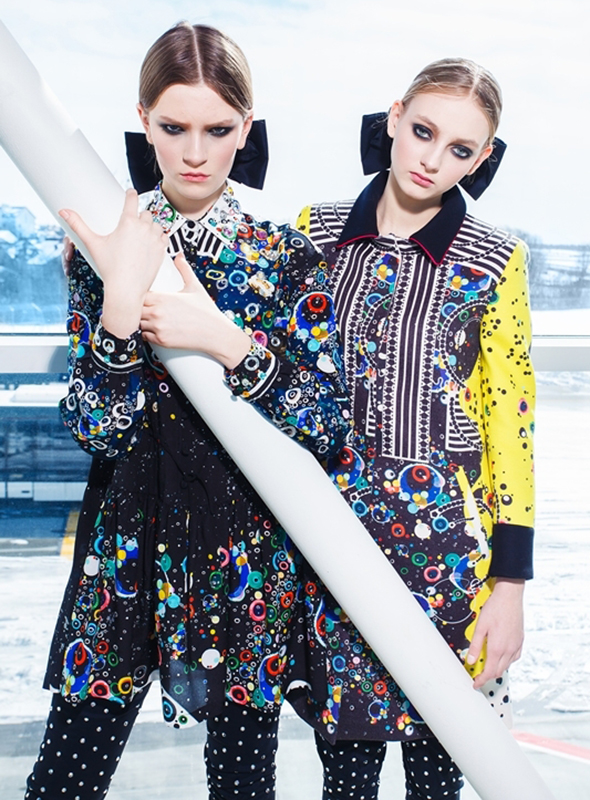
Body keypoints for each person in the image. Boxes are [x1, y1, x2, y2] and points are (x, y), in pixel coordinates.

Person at [24, 22, 352, 800]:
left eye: (217, 129)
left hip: (246, 554)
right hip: (125, 545)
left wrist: (228, 343)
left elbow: (327, 425)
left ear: (246, 125)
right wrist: (119, 306)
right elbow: (95, 430)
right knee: (64, 782)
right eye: (174, 128)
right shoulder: (107, 247)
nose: (195, 153)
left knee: (243, 787)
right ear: (144, 120)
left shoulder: (285, 256)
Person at [292, 58, 535, 799]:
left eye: (460, 149)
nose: (433, 159)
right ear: (394, 118)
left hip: (450, 553)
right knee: (346, 779)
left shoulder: (497, 260)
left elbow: (512, 425)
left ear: (481, 159)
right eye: (423, 131)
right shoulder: (315, 233)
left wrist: (510, 586)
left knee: (439, 777)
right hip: (336, 540)